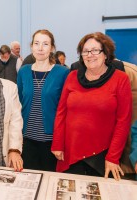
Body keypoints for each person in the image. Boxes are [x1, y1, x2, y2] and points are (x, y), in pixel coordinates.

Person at [51, 32, 132, 181]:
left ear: (106, 54)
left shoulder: (120, 79)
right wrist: (57, 143)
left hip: (102, 155)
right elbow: (61, 112)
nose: (90, 55)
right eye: (85, 51)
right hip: (70, 152)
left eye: (95, 50)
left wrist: (113, 157)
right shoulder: (72, 76)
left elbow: (123, 121)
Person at [17, 29, 69, 171]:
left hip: (52, 142)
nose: (40, 48)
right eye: (37, 43)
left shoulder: (62, 72)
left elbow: (65, 109)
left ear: (52, 48)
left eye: (45, 44)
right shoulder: (23, 71)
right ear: (32, 46)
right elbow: (19, 104)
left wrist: (61, 142)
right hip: (26, 140)